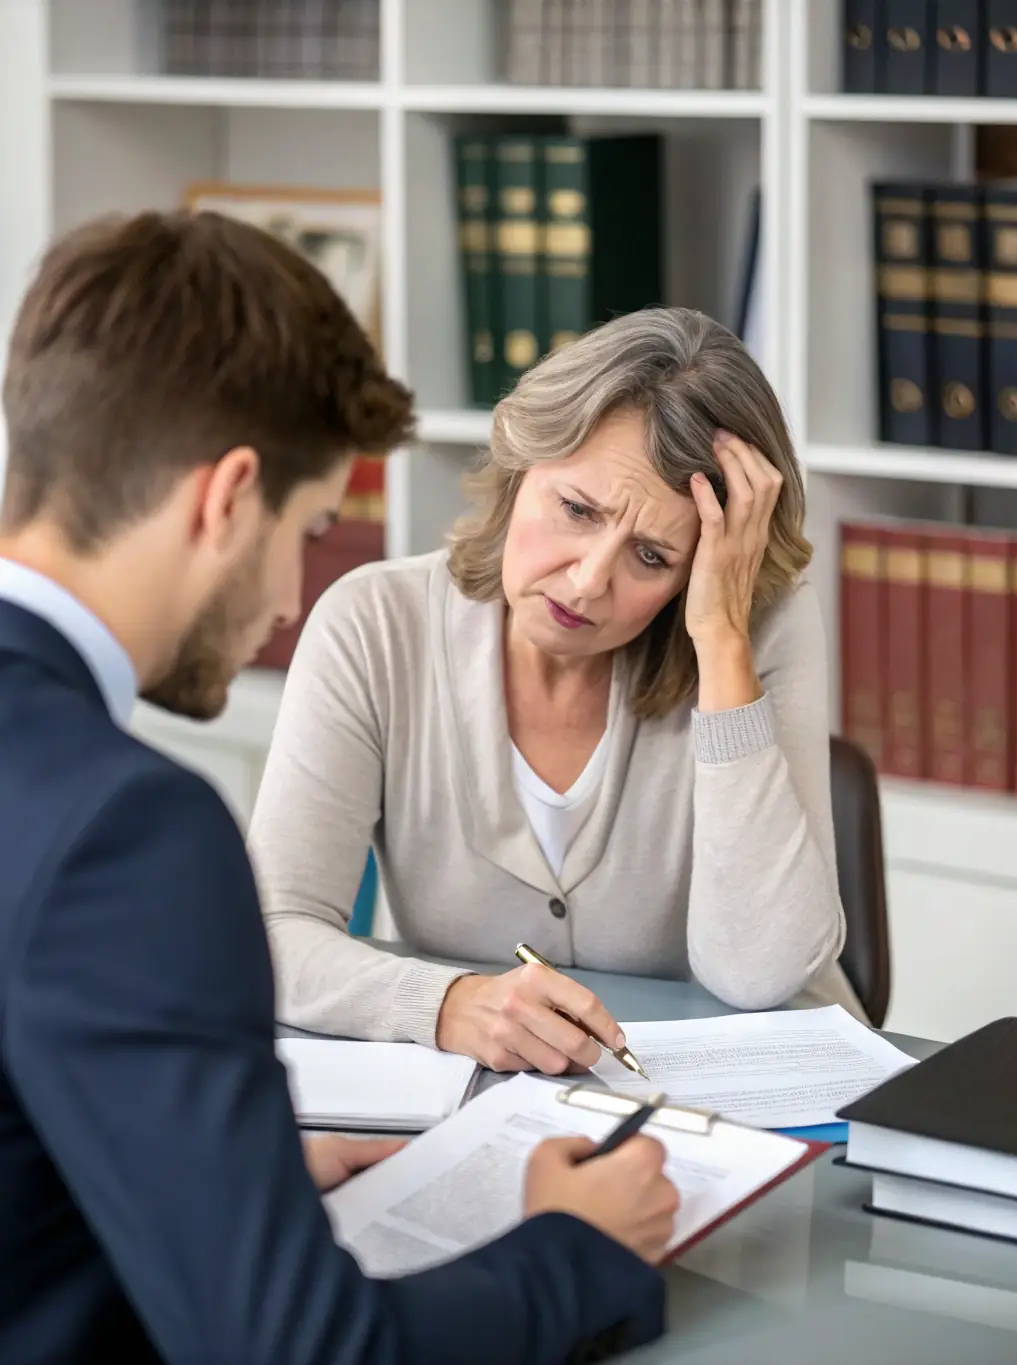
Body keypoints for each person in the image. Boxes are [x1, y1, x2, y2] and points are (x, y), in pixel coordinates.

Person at [0, 211, 680, 1365]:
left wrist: (219, 1179)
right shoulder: (131, 831)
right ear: (226, 499)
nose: (284, 597)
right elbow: (304, 1351)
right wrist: (575, 1248)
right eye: (309, 529)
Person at [248, 306, 867, 1075]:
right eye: (576, 510)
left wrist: (720, 643)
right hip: (503, 1109)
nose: (589, 579)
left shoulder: (753, 630)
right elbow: (269, 934)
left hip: (758, 1117)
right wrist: (444, 1004)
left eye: (650, 554)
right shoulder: (375, 624)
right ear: (520, 464)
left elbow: (759, 971)